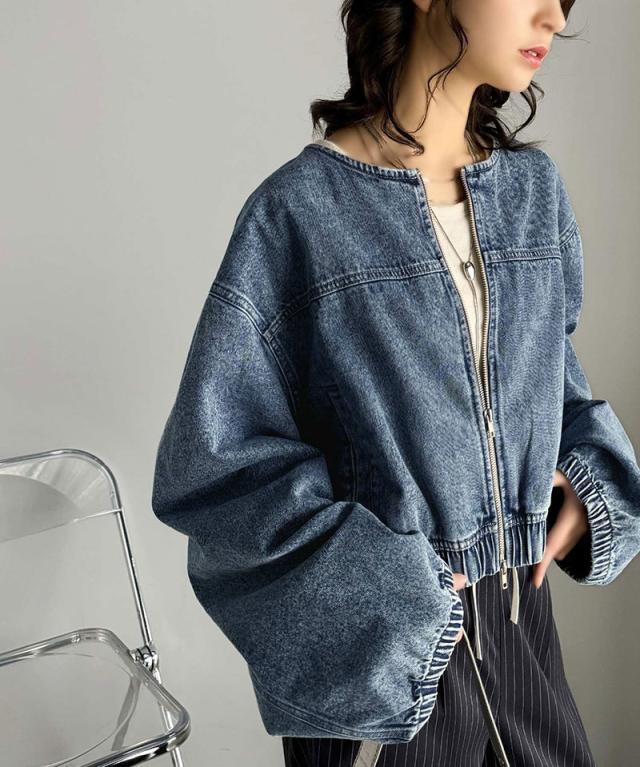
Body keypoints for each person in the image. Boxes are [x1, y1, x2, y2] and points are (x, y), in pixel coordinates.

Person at [151, 0, 640, 765]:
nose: (553, 15)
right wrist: (390, 588)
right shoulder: (300, 214)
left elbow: (552, 386)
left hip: (525, 639)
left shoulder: (533, 195)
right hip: (388, 684)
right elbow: (215, 473)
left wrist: (588, 483)